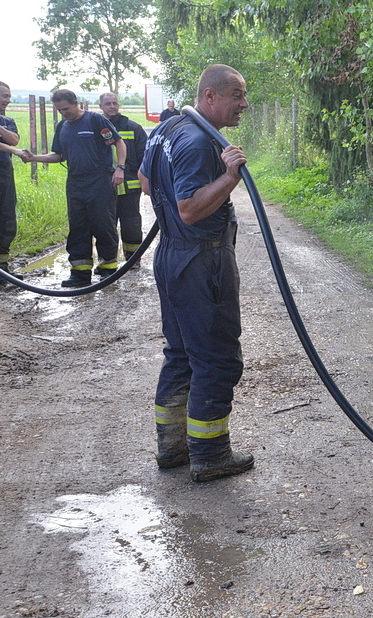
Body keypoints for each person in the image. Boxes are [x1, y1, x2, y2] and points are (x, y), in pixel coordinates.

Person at [139, 64, 253, 483]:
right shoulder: (196, 140)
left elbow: (145, 182)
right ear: (209, 96)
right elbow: (189, 210)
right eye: (237, 95)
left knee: (181, 354)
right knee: (217, 359)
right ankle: (210, 455)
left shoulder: (168, 129)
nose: (245, 104)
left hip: (171, 258)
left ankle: (172, 447)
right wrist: (228, 177)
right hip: (203, 262)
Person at [23, 90, 126, 287]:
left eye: (67, 109)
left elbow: (119, 143)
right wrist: (35, 158)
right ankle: (80, 273)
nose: (64, 113)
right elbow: (59, 155)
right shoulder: (62, 126)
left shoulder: (96, 121)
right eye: (60, 110)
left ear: (76, 103)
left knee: (103, 225)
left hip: (100, 180)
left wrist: (120, 168)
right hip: (75, 183)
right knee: (78, 227)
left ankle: (108, 268)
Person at [98, 92, 148, 263]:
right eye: (108, 104)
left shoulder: (133, 128)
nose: (112, 106)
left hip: (130, 187)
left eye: (114, 103)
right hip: (103, 188)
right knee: (105, 226)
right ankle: (108, 262)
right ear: (101, 107)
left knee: (131, 224)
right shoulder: (95, 128)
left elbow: (145, 157)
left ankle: (133, 260)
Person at [0, 81, 30, 278]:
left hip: (4, 173)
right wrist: (13, 151)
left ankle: (2, 268)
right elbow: (10, 146)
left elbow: (14, 139)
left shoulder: (7, 121)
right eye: (4, 96)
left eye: (9, 96)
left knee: (7, 220)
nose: (8, 100)